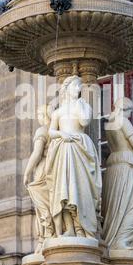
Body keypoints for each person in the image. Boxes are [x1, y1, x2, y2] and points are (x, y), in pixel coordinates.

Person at [46, 76, 102, 238]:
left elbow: (84, 122)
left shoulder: (82, 106)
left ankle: (81, 229)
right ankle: (70, 228)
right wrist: (61, 134)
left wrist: (81, 105)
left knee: (80, 188)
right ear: (66, 89)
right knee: (63, 190)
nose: (78, 90)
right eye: (76, 86)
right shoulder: (58, 112)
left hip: (80, 147)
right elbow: (51, 131)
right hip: (63, 149)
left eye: (79, 87)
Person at [102, 97, 133, 251]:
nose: (130, 115)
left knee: (115, 206)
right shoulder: (123, 121)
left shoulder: (109, 124)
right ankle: (121, 240)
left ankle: (115, 238)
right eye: (129, 111)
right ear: (124, 109)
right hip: (126, 164)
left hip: (113, 166)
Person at [24, 105, 54, 254]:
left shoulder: (42, 131)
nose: (37, 116)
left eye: (38, 113)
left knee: (41, 205)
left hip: (42, 169)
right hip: (54, 168)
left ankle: (45, 236)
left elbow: (36, 154)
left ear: (44, 115)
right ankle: (52, 232)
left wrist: (27, 172)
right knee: (51, 201)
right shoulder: (56, 130)